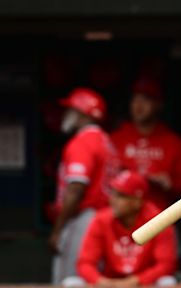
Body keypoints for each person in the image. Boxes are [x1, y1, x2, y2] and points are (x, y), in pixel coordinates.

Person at [50, 87, 119, 285]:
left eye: (71, 110)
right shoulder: (107, 142)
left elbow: (76, 189)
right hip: (105, 218)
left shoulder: (83, 142)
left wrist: (57, 229)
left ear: (82, 113)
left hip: (83, 218)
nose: (66, 114)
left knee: (70, 280)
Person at [74, 170, 178, 286]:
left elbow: (166, 265)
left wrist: (134, 281)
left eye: (121, 196)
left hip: (146, 284)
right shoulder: (101, 220)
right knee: (72, 283)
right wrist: (102, 282)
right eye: (113, 193)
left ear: (137, 202)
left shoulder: (159, 220)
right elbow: (85, 263)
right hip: (110, 283)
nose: (113, 200)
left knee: (167, 282)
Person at [110, 77, 181, 210]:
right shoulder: (116, 138)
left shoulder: (174, 142)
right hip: (120, 216)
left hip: (159, 216)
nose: (139, 105)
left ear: (158, 104)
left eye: (146, 99)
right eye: (135, 99)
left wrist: (169, 183)